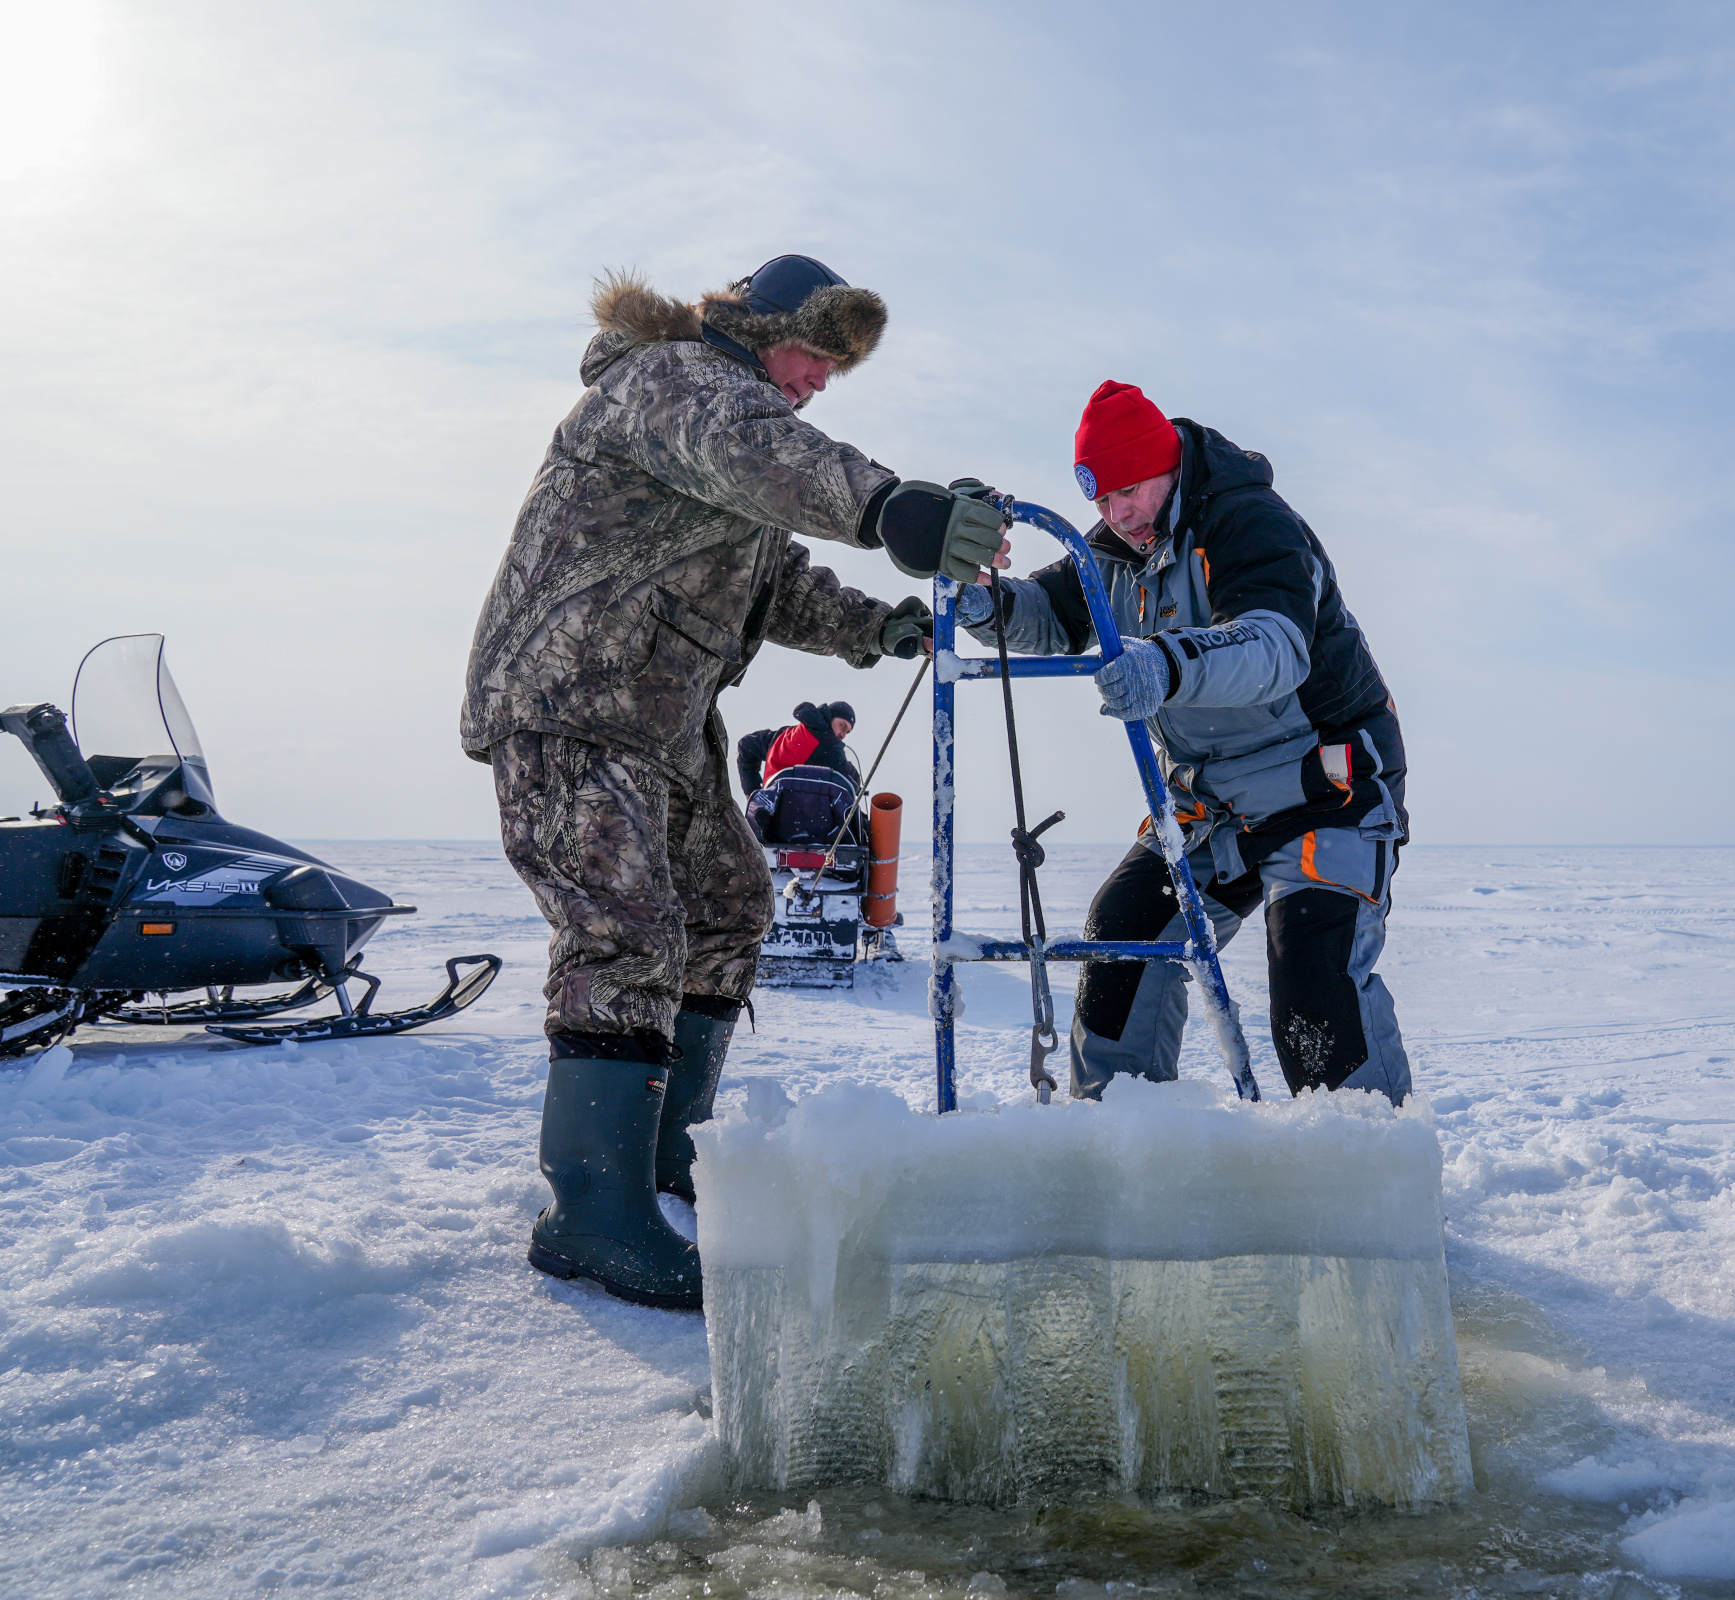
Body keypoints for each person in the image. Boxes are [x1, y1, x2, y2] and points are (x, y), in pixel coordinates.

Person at [461, 254, 1010, 1309]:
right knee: (624, 931)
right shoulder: (668, 382)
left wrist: (872, 626)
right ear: (758, 328)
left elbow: (775, 578)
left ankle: (670, 1158)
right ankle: (589, 1211)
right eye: (815, 356)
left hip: (659, 717)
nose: (817, 383)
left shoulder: (732, 435)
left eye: (836, 373)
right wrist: (892, 507)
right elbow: (761, 451)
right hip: (572, 697)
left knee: (728, 906)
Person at [960, 380, 1411, 1106]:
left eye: (1130, 491)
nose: (1118, 514)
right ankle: (1123, 1152)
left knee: (1310, 974)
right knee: (1122, 939)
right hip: (1207, 803)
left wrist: (1166, 664)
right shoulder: (1111, 550)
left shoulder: (1247, 521)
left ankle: (1370, 1177)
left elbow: (1275, 648)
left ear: (1167, 465)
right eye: (1102, 501)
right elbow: (1045, 613)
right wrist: (982, 602)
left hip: (1324, 785)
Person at [738, 700, 858, 795]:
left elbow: (746, 745)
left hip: (770, 812)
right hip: (806, 817)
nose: (842, 734)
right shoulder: (832, 749)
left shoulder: (783, 736)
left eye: (847, 732)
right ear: (830, 716)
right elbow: (851, 781)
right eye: (842, 726)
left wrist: (752, 791)